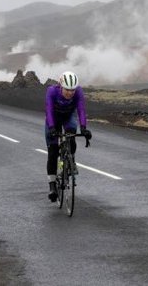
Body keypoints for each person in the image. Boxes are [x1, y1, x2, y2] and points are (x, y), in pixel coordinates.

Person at [45, 71, 92, 202]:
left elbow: (81, 110)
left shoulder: (78, 92)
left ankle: (71, 161)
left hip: (68, 117)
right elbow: (48, 110)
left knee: (71, 135)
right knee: (53, 151)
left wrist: (83, 128)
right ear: (61, 86)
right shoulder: (52, 91)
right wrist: (52, 128)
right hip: (53, 119)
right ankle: (52, 186)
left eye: (72, 90)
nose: (70, 93)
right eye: (67, 90)